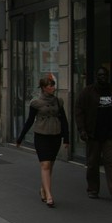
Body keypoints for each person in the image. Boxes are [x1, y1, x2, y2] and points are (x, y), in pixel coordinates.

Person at [16, 76, 69, 208]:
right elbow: (29, 121)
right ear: (44, 88)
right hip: (41, 136)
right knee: (45, 165)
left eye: (53, 85)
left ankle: (43, 189)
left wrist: (66, 138)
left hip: (55, 135)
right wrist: (20, 138)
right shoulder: (36, 103)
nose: (53, 87)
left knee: (50, 165)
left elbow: (64, 121)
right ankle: (49, 195)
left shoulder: (58, 101)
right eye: (50, 85)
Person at [75, 67, 112, 201]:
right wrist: (82, 130)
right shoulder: (88, 92)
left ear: (108, 77)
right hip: (93, 134)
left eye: (105, 75)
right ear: (96, 76)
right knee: (93, 163)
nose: (103, 77)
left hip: (110, 134)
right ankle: (93, 189)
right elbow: (79, 110)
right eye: (100, 75)